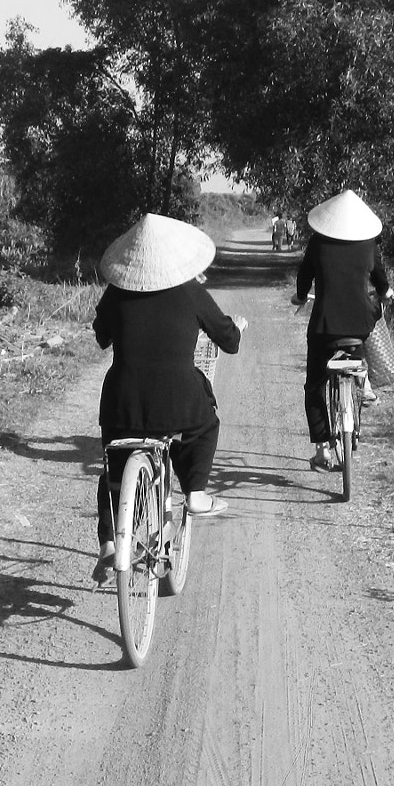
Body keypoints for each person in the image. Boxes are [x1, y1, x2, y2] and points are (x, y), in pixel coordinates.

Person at [91, 212, 247, 581]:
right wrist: (236, 327)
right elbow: (229, 340)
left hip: (122, 404)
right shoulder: (191, 290)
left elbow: (101, 336)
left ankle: (109, 544)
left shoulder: (118, 292)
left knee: (114, 469)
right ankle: (195, 492)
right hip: (179, 402)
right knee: (205, 426)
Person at [292, 189, 390, 471]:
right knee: (361, 334)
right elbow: (382, 282)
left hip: (324, 325)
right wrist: (386, 293)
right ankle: (363, 380)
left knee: (314, 386)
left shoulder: (318, 244)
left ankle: (322, 450)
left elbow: (304, 279)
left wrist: (300, 296)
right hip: (359, 323)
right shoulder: (368, 244)